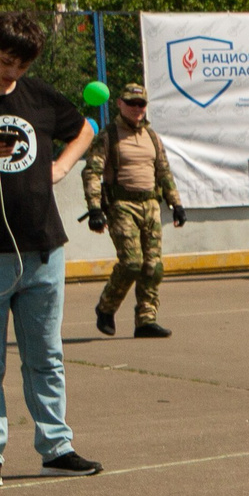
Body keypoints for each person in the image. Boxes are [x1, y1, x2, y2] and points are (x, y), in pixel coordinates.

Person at [0, 10, 100, 488]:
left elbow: (86, 128)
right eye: (5, 61)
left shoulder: (37, 96)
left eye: (21, 65)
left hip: (43, 247)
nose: (11, 73)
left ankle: (56, 448)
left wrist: (61, 167)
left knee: (46, 355)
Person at [81, 80, 184, 337]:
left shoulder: (151, 136)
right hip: (121, 206)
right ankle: (106, 307)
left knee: (153, 266)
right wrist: (95, 209)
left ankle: (146, 319)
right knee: (131, 263)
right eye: (131, 103)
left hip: (150, 204)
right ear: (120, 104)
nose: (137, 108)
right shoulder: (108, 136)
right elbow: (92, 172)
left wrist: (176, 203)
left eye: (141, 104)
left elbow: (164, 171)